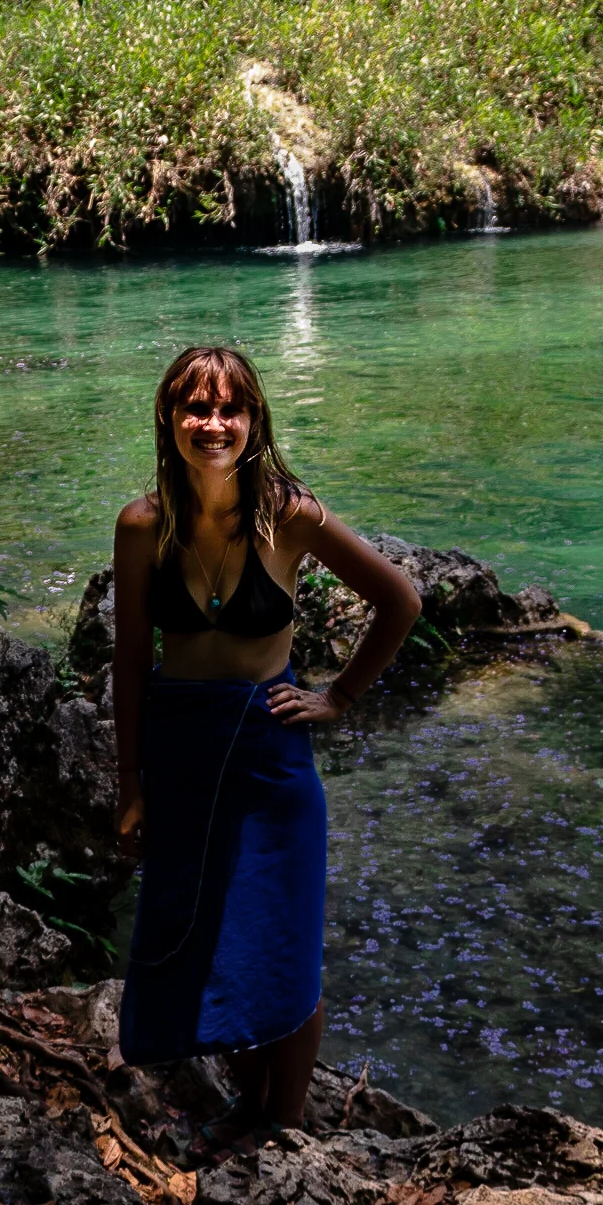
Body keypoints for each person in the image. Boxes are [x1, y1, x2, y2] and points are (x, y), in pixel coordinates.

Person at [112, 342, 421, 1143]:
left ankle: (282, 1126)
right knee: (199, 937)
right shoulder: (143, 524)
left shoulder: (290, 515)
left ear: (253, 420)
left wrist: (338, 696)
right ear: (167, 416)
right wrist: (129, 783)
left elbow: (400, 600)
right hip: (180, 750)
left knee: (280, 941)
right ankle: (249, 1107)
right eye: (196, 407)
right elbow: (128, 660)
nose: (213, 424)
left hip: (268, 752)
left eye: (229, 408)